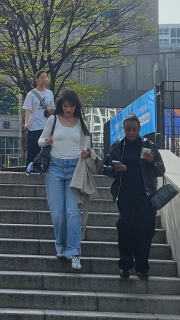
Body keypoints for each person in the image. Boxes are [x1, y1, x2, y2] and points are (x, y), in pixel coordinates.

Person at [103, 114, 165, 279]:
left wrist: (152, 161)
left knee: (146, 230)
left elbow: (161, 170)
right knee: (126, 228)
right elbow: (105, 168)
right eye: (128, 130)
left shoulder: (148, 145)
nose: (131, 133)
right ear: (123, 129)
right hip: (125, 194)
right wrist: (115, 169)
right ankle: (125, 265)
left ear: (140, 129)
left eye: (135, 130)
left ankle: (142, 267)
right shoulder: (118, 146)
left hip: (146, 195)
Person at [37, 89, 92, 271]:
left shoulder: (82, 123)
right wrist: (47, 141)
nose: (68, 109)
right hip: (54, 167)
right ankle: (61, 245)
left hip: (75, 168)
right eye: (66, 106)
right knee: (58, 213)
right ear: (61, 105)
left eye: (71, 106)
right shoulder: (53, 120)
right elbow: (40, 141)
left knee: (73, 211)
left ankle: (74, 251)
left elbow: (86, 146)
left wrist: (85, 153)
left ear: (76, 106)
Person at [23, 71, 55, 166]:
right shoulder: (31, 94)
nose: (44, 80)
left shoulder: (50, 93)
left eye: (46, 77)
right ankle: (31, 168)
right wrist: (26, 123)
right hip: (34, 125)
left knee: (46, 149)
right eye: (42, 78)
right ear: (37, 79)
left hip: (46, 125)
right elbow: (28, 110)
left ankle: (45, 167)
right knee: (33, 149)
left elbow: (52, 107)